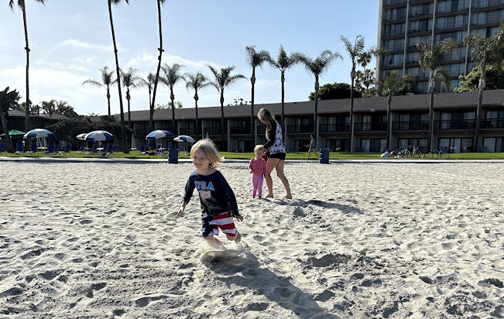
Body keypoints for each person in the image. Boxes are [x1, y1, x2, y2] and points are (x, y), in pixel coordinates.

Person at [176, 139, 243, 250]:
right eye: (195, 157)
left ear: (210, 159)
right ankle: (223, 250)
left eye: (202, 158)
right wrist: (183, 205)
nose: (197, 161)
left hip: (223, 211)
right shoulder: (193, 177)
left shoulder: (217, 176)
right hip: (207, 212)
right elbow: (187, 193)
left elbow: (230, 194)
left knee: (230, 237)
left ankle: (235, 233)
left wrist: (235, 212)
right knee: (207, 236)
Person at [257, 107, 292, 199]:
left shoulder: (271, 125)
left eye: (262, 120)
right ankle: (289, 194)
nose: (262, 122)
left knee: (266, 173)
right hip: (281, 152)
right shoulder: (276, 123)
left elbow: (272, 141)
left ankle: (270, 193)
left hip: (275, 152)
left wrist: (263, 147)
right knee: (280, 174)